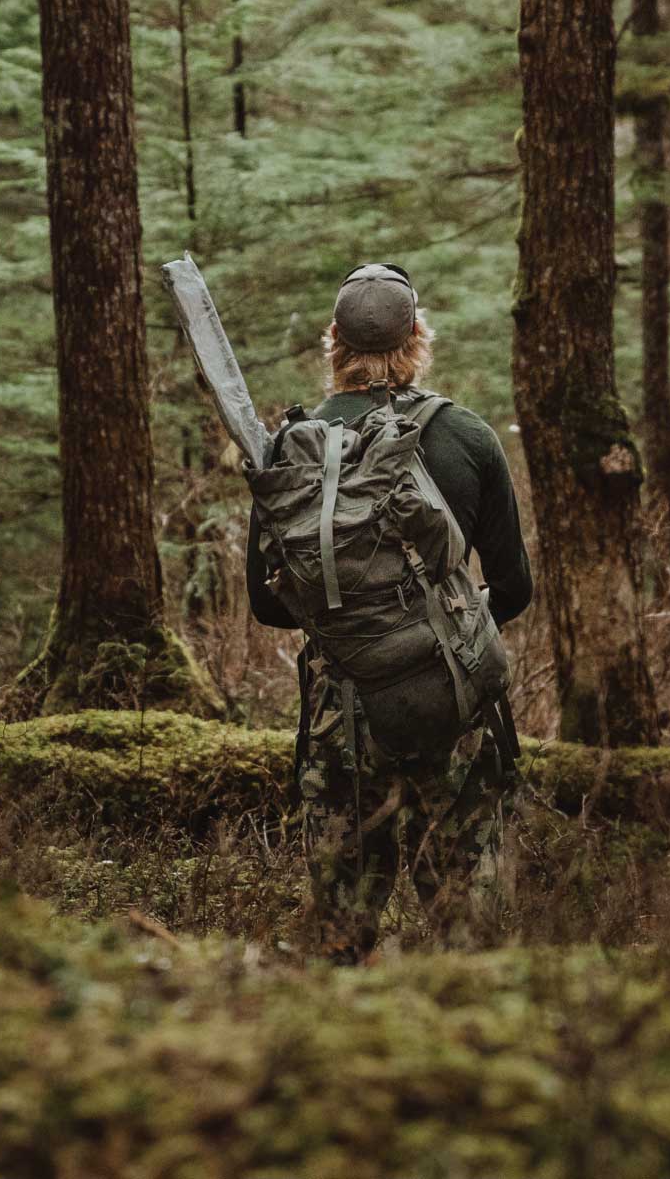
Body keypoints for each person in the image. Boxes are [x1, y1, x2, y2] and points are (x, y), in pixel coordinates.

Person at [247, 262, 532, 961]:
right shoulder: (467, 437)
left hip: (340, 713)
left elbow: (266, 603)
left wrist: (355, 625)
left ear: (333, 343)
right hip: (453, 705)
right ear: (418, 338)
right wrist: (444, 627)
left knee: (341, 930)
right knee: (471, 931)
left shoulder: (291, 449)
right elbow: (515, 589)